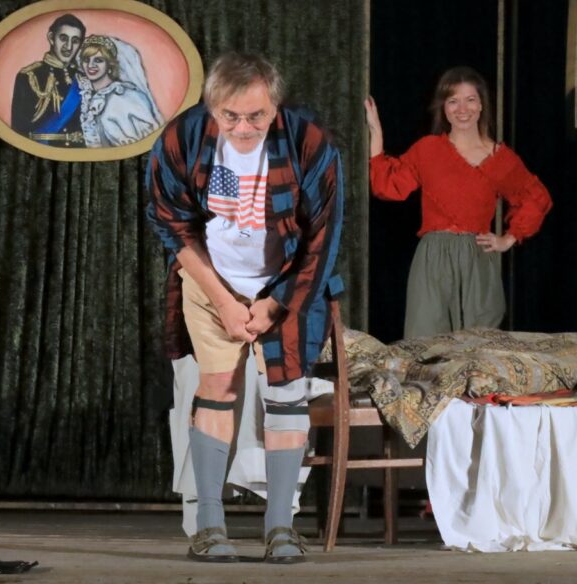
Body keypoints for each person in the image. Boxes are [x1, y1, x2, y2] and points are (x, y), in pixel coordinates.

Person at [146, 52, 343, 563]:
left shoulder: (309, 143)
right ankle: (210, 527)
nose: (243, 127)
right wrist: (222, 300)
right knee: (216, 388)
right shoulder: (183, 138)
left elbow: (322, 238)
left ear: (275, 106)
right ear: (212, 106)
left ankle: (281, 528)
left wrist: (276, 304)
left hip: (286, 282)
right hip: (211, 277)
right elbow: (170, 221)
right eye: (230, 116)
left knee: (286, 393)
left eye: (256, 116)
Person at [365, 66, 552, 339]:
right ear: (443, 107)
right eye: (453, 101)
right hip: (433, 259)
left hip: (478, 259)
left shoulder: (500, 158)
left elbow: (536, 197)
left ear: (481, 105)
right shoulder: (428, 149)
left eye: (470, 99)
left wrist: (508, 239)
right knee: (426, 345)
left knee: (478, 346)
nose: (462, 109)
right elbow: (387, 185)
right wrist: (376, 132)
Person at [10, 13, 85, 146]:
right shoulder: (29, 76)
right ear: (51, 38)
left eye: (75, 41)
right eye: (63, 38)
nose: (68, 47)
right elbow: (18, 132)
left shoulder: (84, 78)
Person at [76, 35, 163, 147]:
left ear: (109, 64)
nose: (90, 65)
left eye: (98, 60)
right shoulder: (85, 98)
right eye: (86, 60)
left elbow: (145, 144)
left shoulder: (127, 97)